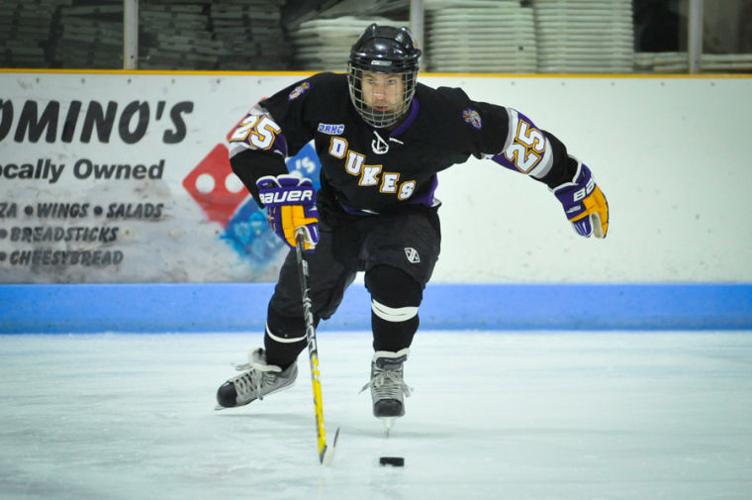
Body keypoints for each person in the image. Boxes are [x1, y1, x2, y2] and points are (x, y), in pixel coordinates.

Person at [216, 25, 609, 421]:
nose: (381, 93)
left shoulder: (444, 117)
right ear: (355, 78)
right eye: (371, 80)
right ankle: (276, 369)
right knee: (291, 302)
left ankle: (388, 365)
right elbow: (254, 134)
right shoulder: (323, 95)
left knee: (395, 282)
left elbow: (511, 134)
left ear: (410, 82)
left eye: (392, 81)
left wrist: (568, 177)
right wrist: (271, 186)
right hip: (334, 214)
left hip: (405, 217)